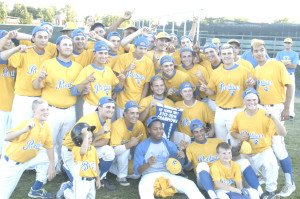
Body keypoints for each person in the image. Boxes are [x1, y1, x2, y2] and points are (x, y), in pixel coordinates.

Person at [251, 39, 295, 197]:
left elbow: (290, 85)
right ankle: (264, 174)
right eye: (256, 51)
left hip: (276, 107)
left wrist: (287, 107)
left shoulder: (277, 65)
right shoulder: (256, 69)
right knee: (264, 143)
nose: (259, 53)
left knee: (278, 146)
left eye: (261, 50)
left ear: (266, 50)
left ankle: (290, 183)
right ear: (252, 54)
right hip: (262, 109)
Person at [32, 35, 83, 172]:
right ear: (58, 47)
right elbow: (36, 86)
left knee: (65, 142)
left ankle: (62, 168)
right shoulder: (48, 64)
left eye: (70, 45)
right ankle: (43, 170)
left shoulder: (78, 67)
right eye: (65, 44)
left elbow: (78, 89)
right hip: (51, 110)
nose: (68, 47)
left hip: (70, 109)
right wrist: (39, 79)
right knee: (47, 141)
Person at [231, 88, 288, 198]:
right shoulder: (239, 116)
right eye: (248, 100)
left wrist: (275, 118)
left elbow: (283, 133)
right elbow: (233, 131)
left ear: (258, 100)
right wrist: (238, 136)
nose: (251, 103)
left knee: (271, 163)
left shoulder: (265, 115)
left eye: (254, 100)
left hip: (263, 150)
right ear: (243, 101)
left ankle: (270, 190)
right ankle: (256, 183)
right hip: (246, 153)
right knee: (246, 184)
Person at [185, 119, 263, 199]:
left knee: (244, 162)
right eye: (196, 132)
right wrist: (182, 151)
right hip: (206, 179)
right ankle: (213, 196)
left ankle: (261, 193)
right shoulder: (190, 147)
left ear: (204, 130)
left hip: (224, 175)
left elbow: (231, 152)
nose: (200, 134)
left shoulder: (216, 141)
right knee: (202, 165)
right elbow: (185, 164)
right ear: (192, 134)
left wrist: (240, 146)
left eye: (201, 130)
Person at [133, 116, 206, 199]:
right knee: (145, 192)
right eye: (155, 129)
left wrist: (182, 153)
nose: (159, 131)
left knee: (190, 184)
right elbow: (136, 171)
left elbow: (181, 165)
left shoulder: (168, 144)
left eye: (161, 128)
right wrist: (148, 164)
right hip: (148, 176)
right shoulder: (142, 146)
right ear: (149, 130)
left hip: (166, 174)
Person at [59, 97, 117, 195]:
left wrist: (91, 147)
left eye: (113, 107)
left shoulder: (107, 119)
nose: (111, 110)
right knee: (81, 183)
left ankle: (99, 179)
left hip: (87, 148)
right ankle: (65, 178)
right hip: (72, 152)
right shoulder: (89, 120)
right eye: (108, 107)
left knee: (109, 152)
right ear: (99, 108)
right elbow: (80, 145)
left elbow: (105, 141)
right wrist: (98, 134)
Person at [0, 99, 57, 199]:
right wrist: (24, 130)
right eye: (42, 110)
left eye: (47, 109)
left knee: (53, 156)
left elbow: (50, 147)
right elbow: (6, 137)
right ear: (34, 112)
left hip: (29, 159)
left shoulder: (46, 126)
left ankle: (36, 189)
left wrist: (52, 165)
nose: (46, 112)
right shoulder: (27, 124)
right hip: (12, 164)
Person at [0, 26, 52, 128]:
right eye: (40, 37)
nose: (43, 40)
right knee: (18, 130)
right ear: (33, 38)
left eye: (45, 37)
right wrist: (16, 48)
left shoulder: (50, 55)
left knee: (37, 131)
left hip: (40, 98)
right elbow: (2, 59)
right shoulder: (24, 52)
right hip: (23, 99)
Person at [200, 43, 254, 141]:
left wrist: (251, 85)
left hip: (237, 110)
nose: (227, 56)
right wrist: (205, 89)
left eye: (229, 53)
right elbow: (212, 92)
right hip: (220, 111)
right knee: (221, 141)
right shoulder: (216, 72)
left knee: (236, 141)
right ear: (220, 55)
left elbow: (250, 91)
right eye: (224, 54)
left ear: (234, 55)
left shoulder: (244, 71)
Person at [72, 41, 125, 115]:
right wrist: (85, 82)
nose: (103, 56)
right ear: (94, 54)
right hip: (91, 107)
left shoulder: (108, 70)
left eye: (105, 53)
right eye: (100, 53)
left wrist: (122, 81)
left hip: (107, 107)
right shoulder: (87, 70)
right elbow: (74, 91)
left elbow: (116, 89)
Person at [113, 36, 155, 119]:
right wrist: (126, 70)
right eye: (140, 48)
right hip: (122, 100)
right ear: (135, 47)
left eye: (145, 49)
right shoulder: (124, 57)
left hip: (137, 100)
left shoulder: (148, 62)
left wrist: (141, 101)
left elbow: (146, 84)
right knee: (121, 124)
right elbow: (117, 79)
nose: (143, 51)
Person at [57, 123, 101, 199]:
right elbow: (83, 151)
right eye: (88, 138)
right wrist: (85, 135)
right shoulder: (76, 149)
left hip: (91, 181)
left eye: (91, 137)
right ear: (79, 140)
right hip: (81, 181)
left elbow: (96, 164)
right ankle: (65, 189)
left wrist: (98, 179)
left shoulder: (93, 149)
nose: (90, 140)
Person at [109, 101, 147, 186]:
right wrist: (130, 144)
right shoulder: (117, 126)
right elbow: (113, 151)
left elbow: (144, 145)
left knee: (136, 175)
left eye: (137, 113)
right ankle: (121, 176)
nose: (135, 116)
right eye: (132, 113)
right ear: (125, 114)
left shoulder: (139, 124)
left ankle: (116, 169)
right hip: (111, 156)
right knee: (125, 149)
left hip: (127, 154)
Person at [0, 30, 16, 155]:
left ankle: (7, 157)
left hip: (14, 103)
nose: (9, 41)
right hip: (1, 104)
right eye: (6, 38)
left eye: (10, 39)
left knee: (11, 133)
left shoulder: (14, 58)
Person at [276, 37, 299, 121]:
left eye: (289, 43)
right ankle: (281, 112)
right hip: (280, 75)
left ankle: (291, 114)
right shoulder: (280, 53)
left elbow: (294, 66)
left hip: (290, 74)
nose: (287, 44)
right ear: (284, 43)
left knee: (291, 95)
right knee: (280, 93)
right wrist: (287, 63)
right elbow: (277, 64)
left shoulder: (294, 54)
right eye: (286, 42)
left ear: (291, 44)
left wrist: (282, 63)